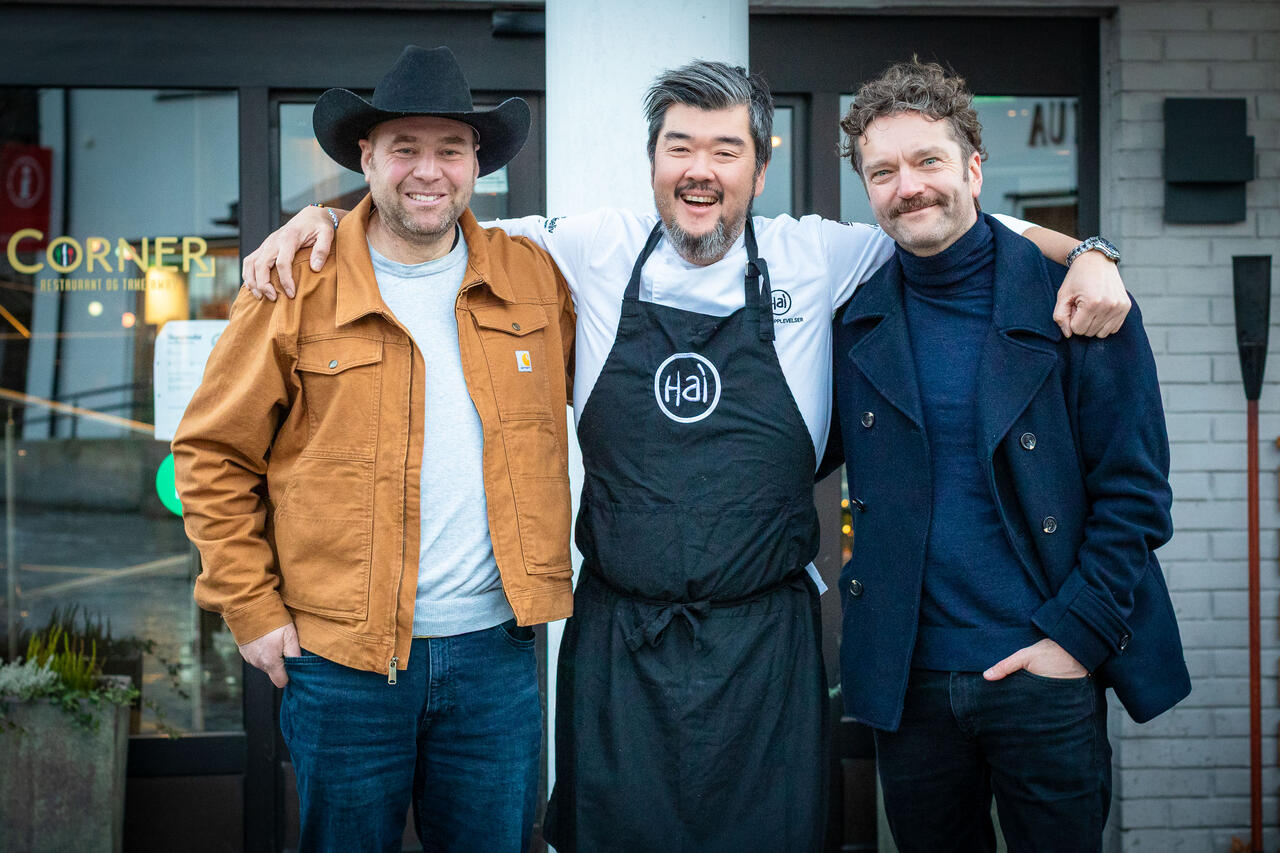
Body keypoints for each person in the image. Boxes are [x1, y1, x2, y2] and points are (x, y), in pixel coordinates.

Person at [242, 59, 1131, 852]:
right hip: (620, 643)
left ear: (759, 169)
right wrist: (320, 218)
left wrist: (1091, 252)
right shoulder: (583, 248)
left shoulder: (820, 254)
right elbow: (427, 218)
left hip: (766, 644)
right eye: (679, 148)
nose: (700, 169)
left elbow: (960, 227)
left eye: (725, 149)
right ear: (653, 163)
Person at [172, 46, 576, 853]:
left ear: (476, 165)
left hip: (495, 660)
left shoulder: (533, 277)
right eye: (405, 148)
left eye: (450, 150)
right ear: (365, 158)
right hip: (342, 664)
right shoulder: (296, 282)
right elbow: (212, 453)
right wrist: (250, 608)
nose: (428, 171)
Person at [832, 59, 1190, 853]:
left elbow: (1136, 496)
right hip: (910, 685)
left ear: (973, 168)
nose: (908, 187)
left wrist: (1075, 641)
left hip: (1046, 673)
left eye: (928, 160)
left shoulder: (1083, 302)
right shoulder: (854, 319)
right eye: (883, 171)